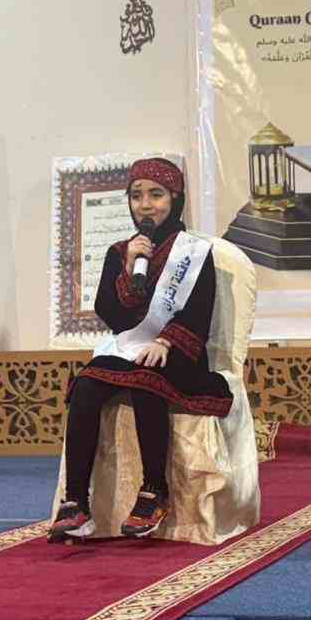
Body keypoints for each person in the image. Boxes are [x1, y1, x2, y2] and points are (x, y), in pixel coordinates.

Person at [50, 157, 233, 541]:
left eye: (156, 195)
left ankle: (154, 491)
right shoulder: (120, 252)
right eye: (137, 196)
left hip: (178, 352)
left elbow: (199, 311)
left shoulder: (195, 252)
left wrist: (165, 341)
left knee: (145, 378)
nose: (146, 205)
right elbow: (113, 316)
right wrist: (130, 266)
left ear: (175, 198)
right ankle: (76, 503)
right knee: (85, 385)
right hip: (131, 347)